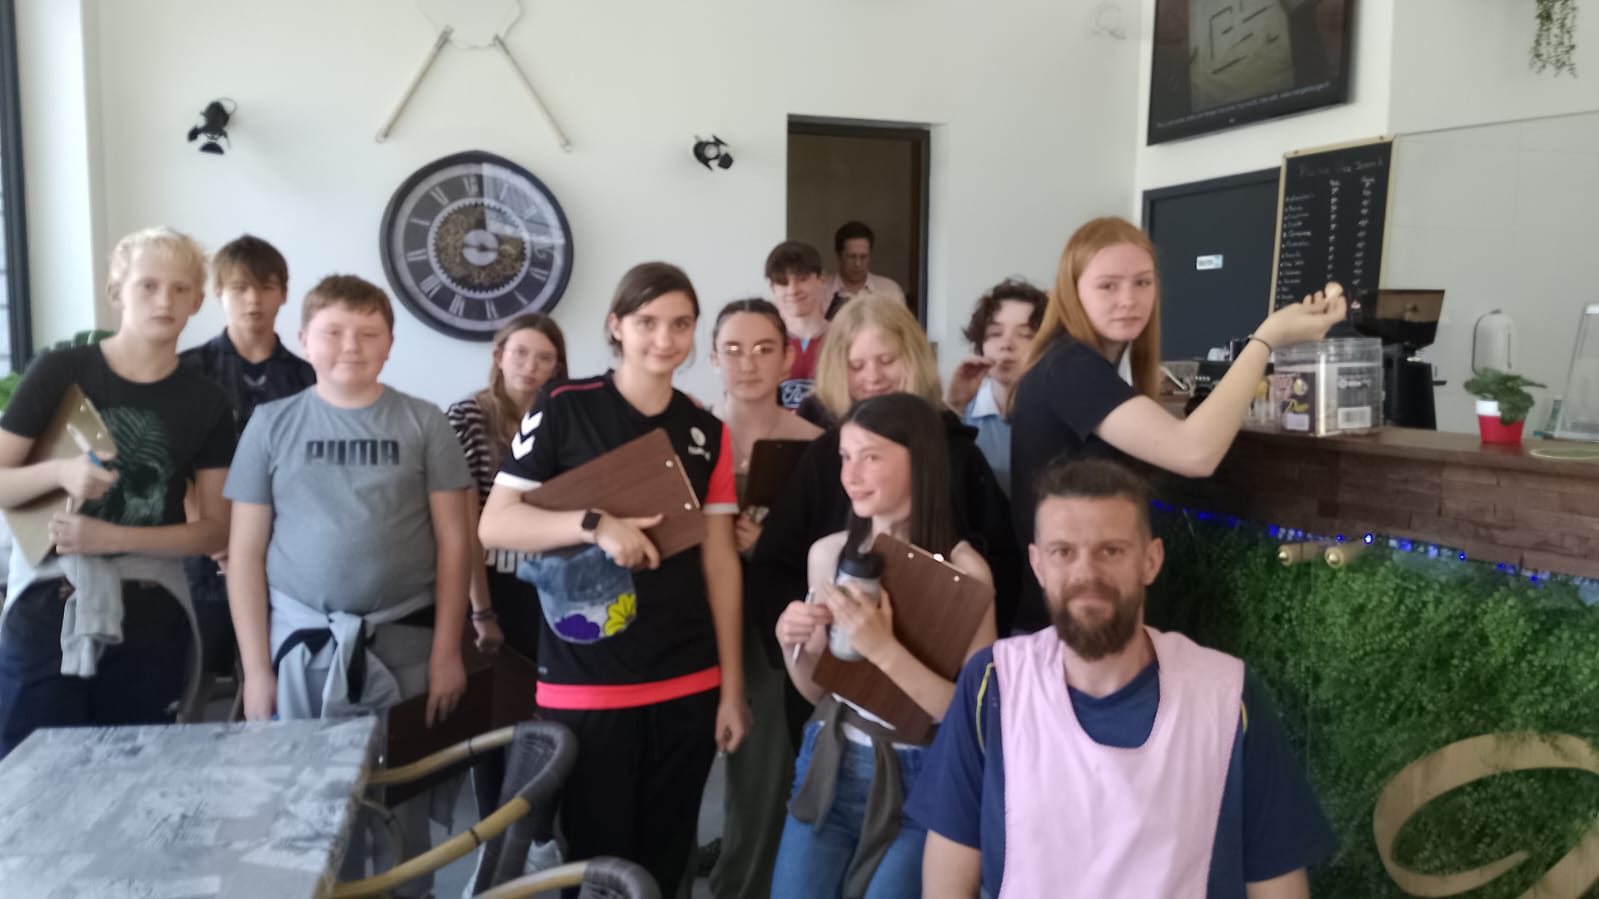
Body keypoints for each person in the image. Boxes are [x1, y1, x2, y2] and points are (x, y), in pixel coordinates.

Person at [908, 458, 1335, 898]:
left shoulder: (1227, 697)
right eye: (1063, 552)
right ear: (1038, 565)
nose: (1086, 574)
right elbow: (947, 883)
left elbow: (1278, 885)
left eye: (1110, 551)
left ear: (1151, 561)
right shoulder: (994, 685)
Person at [477, 262, 750, 893]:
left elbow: (719, 562)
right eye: (647, 322)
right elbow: (496, 524)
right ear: (616, 326)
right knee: (594, 865)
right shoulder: (564, 406)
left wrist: (732, 688)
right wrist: (594, 524)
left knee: (667, 860)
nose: (665, 338)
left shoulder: (706, 431)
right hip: (587, 680)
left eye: (681, 324)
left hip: (687, 678)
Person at [225, 274, 472, 896]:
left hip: (407, 644)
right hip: (301, 648)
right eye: (333, 332)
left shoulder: (424, 422)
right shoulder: (270, 424)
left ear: (390, 343)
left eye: (368, 333)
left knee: (403, 803)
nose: (351, 347)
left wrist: (448, 652)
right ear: (304, 339)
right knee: (305, 805)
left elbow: (456, 542)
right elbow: (245, 553)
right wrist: (256, 669)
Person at [1008, 216, 1346, 631]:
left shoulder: (1081, 365)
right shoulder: (1069, 369)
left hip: (1083, 617)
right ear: (1072, 292)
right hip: (1066, 629)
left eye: (1142, 282)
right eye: (1108, 285)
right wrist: (1266, 340)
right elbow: (1195, 453)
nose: (1128, 299)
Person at [0, 227, 233, 757]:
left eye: (179, 289)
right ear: (116, 292)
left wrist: (112, 537)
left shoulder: (207, 401)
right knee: (33, 773)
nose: (164, 300)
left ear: (198, 301)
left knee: (138, 770)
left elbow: (216, 530)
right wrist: (59, 474)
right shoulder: (61, 370)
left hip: (152, 609)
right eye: (148, 285)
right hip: (50, 604)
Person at [772, 392, 995, 899]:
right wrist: (794, 645)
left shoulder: (965, 573)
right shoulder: (830, 554)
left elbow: (970, 716)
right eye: (845, 457)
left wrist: (882, 648)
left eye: (870, 457)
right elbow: (818, 692)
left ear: (920, 461)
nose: (851, 475)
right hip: (829, 758)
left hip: (922, 777)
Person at [752, 295, 1019, 695]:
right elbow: (778, 566)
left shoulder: (958, 457)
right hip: (839, 689)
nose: (873, 377)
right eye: (857, 365)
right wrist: (804, 631)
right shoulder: (823, 463)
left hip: (938, 680)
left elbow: (1001, 573)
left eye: (886, 360)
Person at [705, 298, 823, 899]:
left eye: (762, 349)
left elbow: (833, 550)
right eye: (732, 349)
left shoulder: (817, 445)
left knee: (762, 770)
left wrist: (768, 544)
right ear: (712, 357)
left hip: (771, 628)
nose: (747, 363)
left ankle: (744, 886)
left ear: (785, 360)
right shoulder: (688, 435)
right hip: (687, 622)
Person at [179, 234, 315, 682]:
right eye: (239, 288)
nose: (253, 300)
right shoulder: (187, 371)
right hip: (203, 553)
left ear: (284, 294)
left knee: (278, 676)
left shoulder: (306, 376)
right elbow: (173, 464)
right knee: (199, 680)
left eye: (265, 287)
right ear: (219, 292)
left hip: (286, 552)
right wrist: (212, 536)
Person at [446, 313, 568, 662]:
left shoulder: (565, 419)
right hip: (489, 577)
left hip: (553, 572)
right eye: (520, 353)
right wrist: (481, 611)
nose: (530, 366)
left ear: (557, 367)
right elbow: (464, 524)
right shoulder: (466, 418)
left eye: (544, 358)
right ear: (499, 356)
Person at [943, 278, 1046, 498]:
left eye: (1025, 335)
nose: (1006, 345)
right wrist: (953, 407)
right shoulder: (961, 413)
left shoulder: (1062, 414)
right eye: (995, 333)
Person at [766, 241, 831, 410]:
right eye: (783, 282)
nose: (793, 290)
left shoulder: (844, 338)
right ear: (773, 288)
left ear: (822, 280)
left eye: (802, 279)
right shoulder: (764, 343)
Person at [824, 221, 906, 317]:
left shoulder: (890, 291)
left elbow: (901, 326)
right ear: (838, 255)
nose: (858, 264)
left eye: (863, 257)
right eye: (851, 257)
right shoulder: (821, 290)